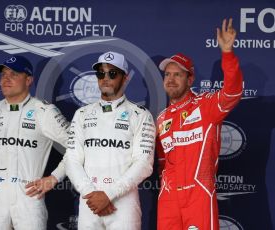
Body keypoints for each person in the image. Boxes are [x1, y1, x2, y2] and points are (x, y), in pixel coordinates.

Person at [0, 55, 69, 230]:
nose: (6, 79)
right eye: (3, 74)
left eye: (14, 74)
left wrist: (55, 177)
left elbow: (75, 145)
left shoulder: (44, 111)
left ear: (29, 80)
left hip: (29, 195)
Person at [156, 18, 243, 229]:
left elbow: (233, 92)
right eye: (167, 74)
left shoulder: (205, 105)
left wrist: (227, 54)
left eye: (178, 75)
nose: (171, 79)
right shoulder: (160, 118)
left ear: (191, 79)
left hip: (199, 192)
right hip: (168, 197)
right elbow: (162, 162)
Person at [64, 51, 156, 229]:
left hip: (124, 204)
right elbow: (72, 160)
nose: (105, 78)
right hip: (89, 202)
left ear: (125, 78)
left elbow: (144, 163)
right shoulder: (82, 114)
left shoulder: (140, 115)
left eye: (112, 73)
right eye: (101, 73)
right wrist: (91, 193)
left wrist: (108, 194)